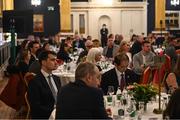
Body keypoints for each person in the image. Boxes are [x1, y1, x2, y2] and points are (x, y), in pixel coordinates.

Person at [27, 51, 61, 119]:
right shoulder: (34, 82)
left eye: (56, 60)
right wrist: (55, 112)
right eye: (52, 60)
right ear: (43, 62)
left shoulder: (57, 79)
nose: (56, 63)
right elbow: (36, 107)